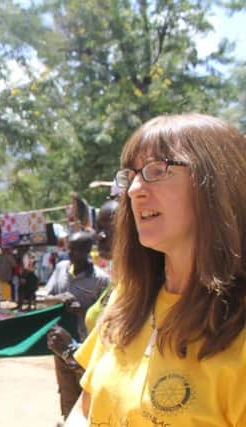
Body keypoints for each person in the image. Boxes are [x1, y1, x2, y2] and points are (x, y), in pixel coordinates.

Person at [75, 113, 246, 425]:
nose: (134, 190)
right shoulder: (125, 300)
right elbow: (84, 409)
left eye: (157, 169)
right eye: (131, 175)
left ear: (217, 184)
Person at [46, 199, 118, 419]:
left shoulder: (103, 280)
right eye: (99, 230)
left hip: (82, 352)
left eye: (109, 230)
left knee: (90, 406)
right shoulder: (60, 269)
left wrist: (73, 352)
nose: (100, 237)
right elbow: (44, 298)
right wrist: (59, 298)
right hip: (66, 347)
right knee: (69, 401)